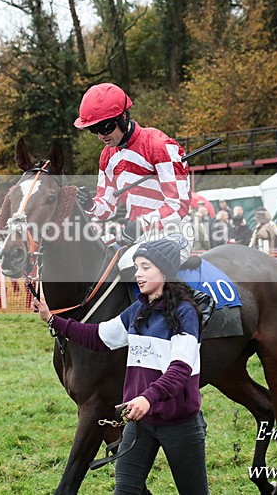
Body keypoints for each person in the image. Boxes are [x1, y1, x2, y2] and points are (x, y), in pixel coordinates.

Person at [31, 238, 208, 494]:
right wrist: (52, 320)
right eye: (136, 268)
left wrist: (147, 398)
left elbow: (180, 370)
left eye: (145, 267)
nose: (138, 274)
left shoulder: (186, 314)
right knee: (125, 490)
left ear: (165, 272)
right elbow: (98, 336)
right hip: (140, 423)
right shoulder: (138, 310)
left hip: (180, 424)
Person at [73, 83, 192, 274]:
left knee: (129, 266)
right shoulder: (107, 157)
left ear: (123, 117)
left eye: (105, 127)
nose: (101, 135)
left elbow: (178, 205)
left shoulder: (159, 145)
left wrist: (140, 225)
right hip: (139, 237)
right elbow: (108, 209)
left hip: (173, 232)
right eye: (94, 129)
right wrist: (91, 205)